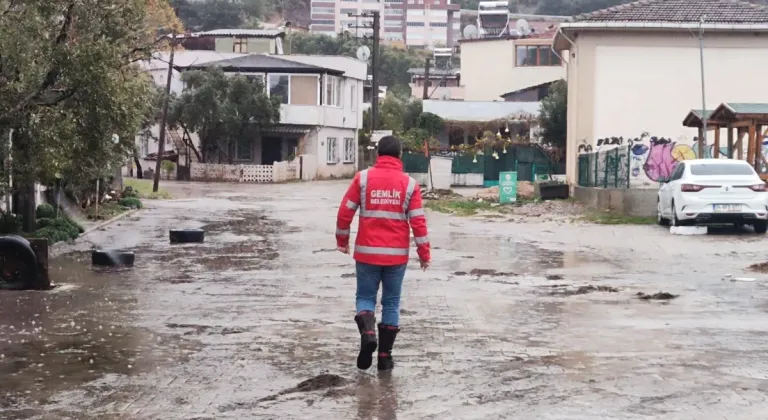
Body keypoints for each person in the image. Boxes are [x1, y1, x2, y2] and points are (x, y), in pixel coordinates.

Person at [335, 135, 431, 371]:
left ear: (378, 154)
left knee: (365, 298)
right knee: (391, 302)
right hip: (396, 256)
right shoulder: (409, 184)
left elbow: (345, 211)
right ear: (400, 155)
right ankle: (385, 357)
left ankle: (368, 333)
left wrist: (342, 239)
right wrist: (424, 253)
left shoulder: (363, 178)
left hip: (366, 253)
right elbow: (418, 222)